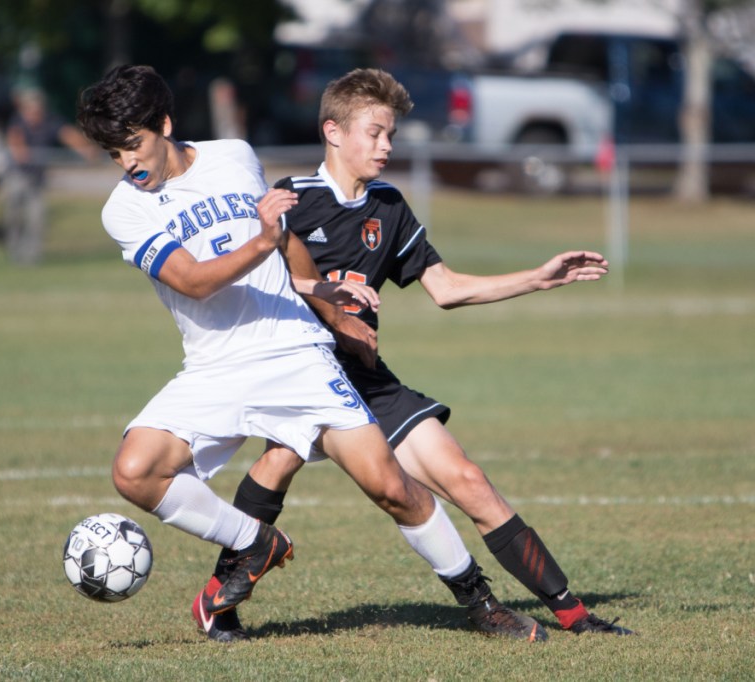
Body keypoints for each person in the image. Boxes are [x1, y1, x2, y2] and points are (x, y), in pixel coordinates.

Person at [75, 65, 546, 639]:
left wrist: (330, 305)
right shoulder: (123, 210)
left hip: (294, 352)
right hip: (214, 366)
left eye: (133, 144)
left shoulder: (234, 157)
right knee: (135, 471)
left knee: (391, 487)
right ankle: (255, 542)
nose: (127, 162)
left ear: (164, 125)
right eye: (113, 152)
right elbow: (195, 282)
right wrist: (264, 241)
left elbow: (290, 243)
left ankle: (481, 605)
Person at [195, 68, 636, 642]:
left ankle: (576, 616)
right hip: (300, 373)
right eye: (375, 133)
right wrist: (319, 293)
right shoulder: (288, 201)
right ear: (333, 131)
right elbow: (246, 284)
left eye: (391, 136)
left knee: (467, 479)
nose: (386, 146)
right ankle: (219, 600)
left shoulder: (389, 206)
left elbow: (447, 289)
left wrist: (539, 278)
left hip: (369, 379)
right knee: (282, 457)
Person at [3, 85, 98, 265]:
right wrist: (21, 153)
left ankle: (32, 258)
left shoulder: (49, 122)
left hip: (37, 180)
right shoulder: (17, 122)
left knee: (36, 218)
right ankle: (14, 253)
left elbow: (68, 135)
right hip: (17, 177)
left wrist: (86, 151)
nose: (34, 114)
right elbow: (16, 143)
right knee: (13, 216)